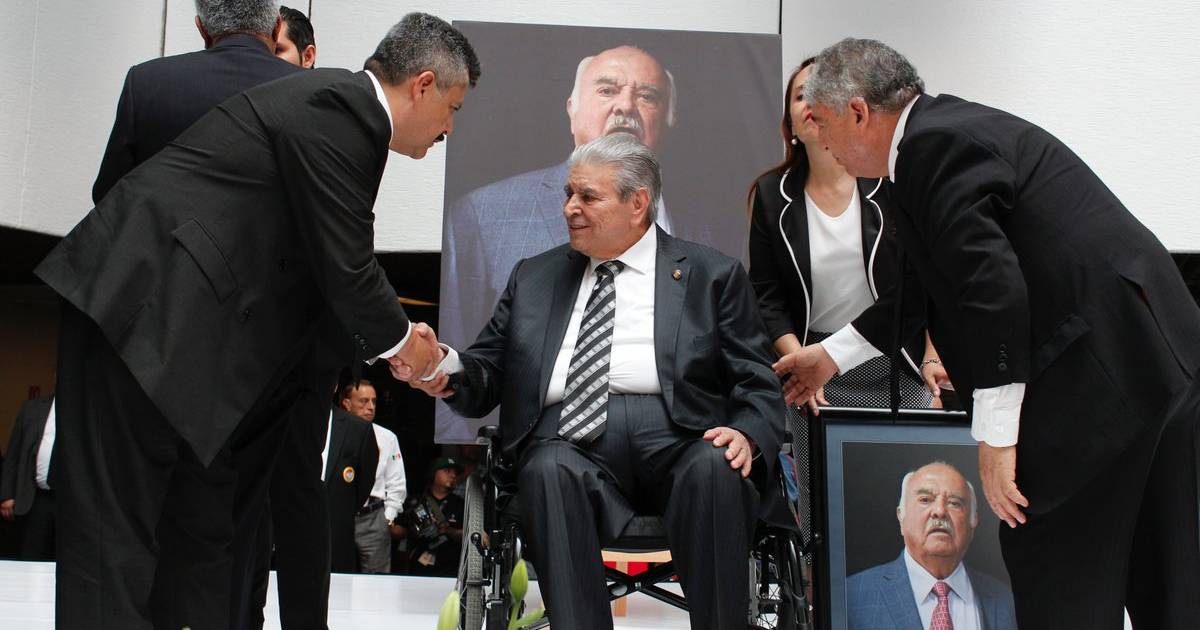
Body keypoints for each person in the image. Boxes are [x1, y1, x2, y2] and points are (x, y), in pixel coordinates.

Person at [36, 13, 479, 629]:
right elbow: (347, 268)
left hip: (182, 340)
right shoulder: (342, 110)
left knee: (191, 530)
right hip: (132, 310)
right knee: (113, 532)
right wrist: (414, 351)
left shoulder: (342, 113)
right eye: (452, 108)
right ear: (423, 84)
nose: (449, 128)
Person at [778, 37, 1200, 629]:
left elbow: (992, 288)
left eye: (820, 123)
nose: (818, 141)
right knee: (1168, 581)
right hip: (1152, 360)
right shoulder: (940, 135)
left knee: (1055, 571)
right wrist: (829, 356)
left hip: (1097, 380)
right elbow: (921, 290)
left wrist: (998, 438)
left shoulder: (931, 149)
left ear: (857, 113)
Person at [407, 133, 784, 629]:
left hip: (684, 441)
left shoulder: (712, 275)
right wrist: (442, 366)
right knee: (545, 469)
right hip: (567, 443)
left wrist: (747, 434)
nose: (570, 207)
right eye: (569, 193)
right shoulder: (534, 277)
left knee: (718, 466)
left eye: (588, 196)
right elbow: (487, 371)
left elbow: (757, 380)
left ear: (637, 203)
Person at [438, 45, 748, 440]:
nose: (625, 107)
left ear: (670, 119)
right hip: (550, 443)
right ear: (572, 108)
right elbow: (479, 366)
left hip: (678, 443)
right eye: (607, 90)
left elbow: (743, 371)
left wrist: (745, 435)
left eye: (647, 96)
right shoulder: (483, 216)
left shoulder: (721, 233)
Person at [748, 57, 941, 413]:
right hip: (811, 360)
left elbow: (926, 279)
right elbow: (767, 296)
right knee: (819, 450)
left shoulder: (892, 182)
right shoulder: (772, 194)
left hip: (895, 354)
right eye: (801, 95)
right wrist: (801, 362)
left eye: (822, 93)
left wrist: (932, 356)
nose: (811, 103)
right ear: (789, 122)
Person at [92, 0, 301, 204]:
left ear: (202, 29)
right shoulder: (305, 89)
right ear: (277, 27)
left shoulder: (146, 81)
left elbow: (108, 196)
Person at [847, 462, 1015, 630]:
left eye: (954, 503)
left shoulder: (1006, 600)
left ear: (973, 522)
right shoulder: (852, 596)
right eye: (925, 500)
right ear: (901, 517)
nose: (940, 511)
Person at [338, 379, 407, 573]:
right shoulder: (330, 433)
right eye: (363, 401)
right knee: (335, 573)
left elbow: (396, 482)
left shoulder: (387, 437)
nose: (371, 407)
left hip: (373, 515)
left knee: (377, 579)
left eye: (374, 401)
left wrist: (388, 517)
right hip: (338, 513)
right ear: (346, 403)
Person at [323, 404, 379, 573]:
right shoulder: (289, 419)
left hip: (337, 530)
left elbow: (364, 481)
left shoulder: (358, 429)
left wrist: (343, 510)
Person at [0, 396, 56, 560]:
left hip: (72, 502)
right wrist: (7, 495)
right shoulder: (32, 408)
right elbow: (13, 452)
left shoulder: (88, 409)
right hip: (35, 497)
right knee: (32, 554)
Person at [397, 457, 464, 577]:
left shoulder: (461, 504)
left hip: (450, 570)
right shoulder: (415, 502)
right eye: (447, 471)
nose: (453, 475)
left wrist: (447, 530)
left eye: (455, 473)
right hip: (418, 569)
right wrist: (414, 529)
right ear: (433, 474)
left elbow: (469, 534)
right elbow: (398, 531)